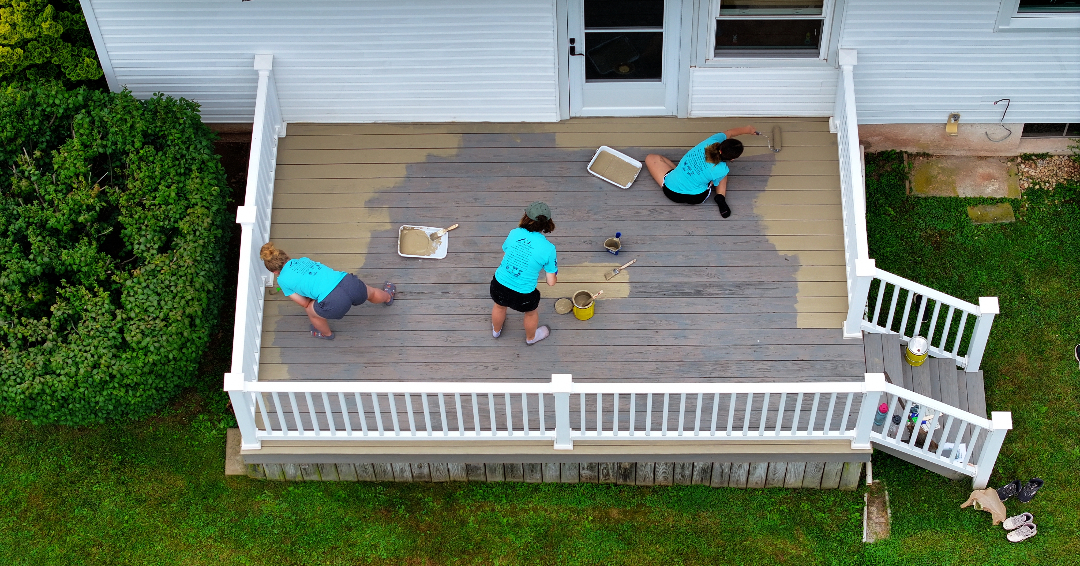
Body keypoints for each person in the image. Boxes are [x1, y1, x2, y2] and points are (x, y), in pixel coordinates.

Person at [260, 242, 395, 340]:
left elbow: (304, 303)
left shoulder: (282, 281)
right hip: (347, 282)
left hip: (334, 302)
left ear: (275, 272)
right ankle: (388, 296)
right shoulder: (303, 260)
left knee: (311, 311)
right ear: (286, 256)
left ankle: (326, 334)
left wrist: (311, 296)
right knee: (370, 292)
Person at [644, 125, 758, 218]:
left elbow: (730, 132)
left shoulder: (712, 141)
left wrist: (747, 129)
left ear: (722, 144)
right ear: (732, 159)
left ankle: (680, 173)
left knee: (651, 158)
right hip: (697, 197)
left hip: (671, 191)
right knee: (723, 175)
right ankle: (720, 197)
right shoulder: (721, 169)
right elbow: (717, 172)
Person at [490, 202, 558, 345]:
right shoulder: (549, 248)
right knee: (531, 313)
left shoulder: (514, 232)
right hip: (524, 294)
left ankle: (496, 331)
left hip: (499, 283)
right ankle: (531, 338)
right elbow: (551, 282)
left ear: (526, 217)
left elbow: (506, 249)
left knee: (499, 306)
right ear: (547, 222)